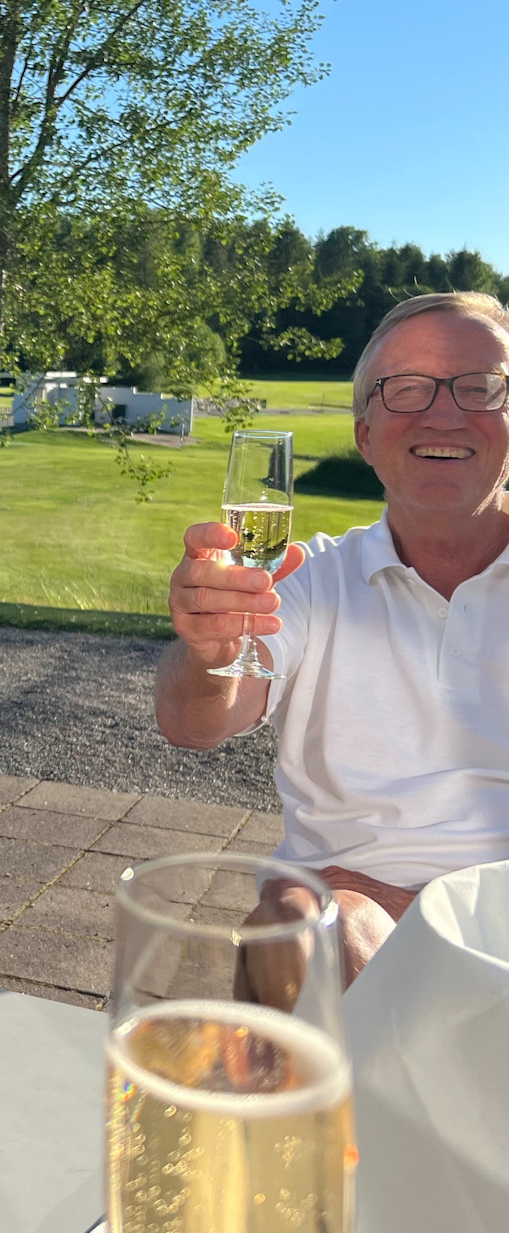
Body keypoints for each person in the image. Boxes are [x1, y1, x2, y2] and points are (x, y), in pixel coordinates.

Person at [156, 290, 509, 982]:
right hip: (339, 921)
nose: (444, 412)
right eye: (405, 389)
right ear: (365, 435)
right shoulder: (309, 577)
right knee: (317, 926)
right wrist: (209, 654)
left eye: (481, 386)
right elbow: (194, 723)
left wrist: (446, 919)